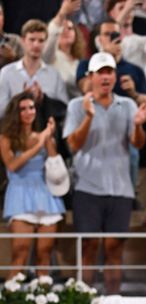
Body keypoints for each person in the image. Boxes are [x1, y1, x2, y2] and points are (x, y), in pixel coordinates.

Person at [63, 52, 146, 294]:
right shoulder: (76, 106)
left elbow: (137, 143)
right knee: (89, 248)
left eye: (109, 71)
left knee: (115, 249)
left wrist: (140, 125)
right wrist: (88, 116)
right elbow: (73, 145)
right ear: (90, 77)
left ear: (115, 76)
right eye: (100, 72)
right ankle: (84, 298)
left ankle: (114, 299)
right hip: (87, 189)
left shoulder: (128, 105)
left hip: (120, 189)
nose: (105, 77)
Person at [0, 91, 65, 278]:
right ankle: (14, 296)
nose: (29, 112)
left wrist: (48, 139)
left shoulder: (43, 136)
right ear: (15, 113)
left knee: (44, 254)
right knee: (20, 252)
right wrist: (39, 143)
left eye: (31, 107)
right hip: (20, 194)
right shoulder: (6, 138)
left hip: (46, 195)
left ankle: (44, 295)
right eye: (23, 109)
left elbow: (54, 162)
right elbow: (12, 165)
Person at [0, 19, 68, 118]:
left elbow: (63, 110)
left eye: (41, 41)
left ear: (46, 43)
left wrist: (43, 99)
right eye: (32, 40)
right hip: (13, 131)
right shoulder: (6, 73)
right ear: (23, 41)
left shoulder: (54, 75)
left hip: (45, 130)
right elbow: (1, 111)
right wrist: (22, 99)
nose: (36, 45)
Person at [106, 0, 146, 100]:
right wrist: (128, 7)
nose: (128, 13)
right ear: (111, 13)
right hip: (113, 97)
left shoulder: (142, 40)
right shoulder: (105, 40)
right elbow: (111, 38)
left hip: (140, 97)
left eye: (131, 9)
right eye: (121, 8)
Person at [43, 0, 87, 99]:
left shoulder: (80, 62)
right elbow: (52, 34)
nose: (66, 31)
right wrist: (62, 14)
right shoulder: (50, 56)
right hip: (56, 108)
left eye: (70, 28)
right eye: (62, 28)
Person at [0, 1, 23, 69]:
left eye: (0, 14)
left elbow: (30, 68)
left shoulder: (15, 41)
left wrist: (14, 58)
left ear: (3, 18)